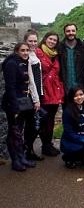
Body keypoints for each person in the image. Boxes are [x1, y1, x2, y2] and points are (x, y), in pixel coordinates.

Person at [2, 42, 37, 171]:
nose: (25, 52)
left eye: (27, 50)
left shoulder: (23, 62)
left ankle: (21, 157)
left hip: (22, 102)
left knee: (18, 132)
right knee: (14, 133)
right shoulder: (11, 64)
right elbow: (10, 87)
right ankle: (15, 161)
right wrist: (15, 107)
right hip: (13, 103)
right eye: (22, 50)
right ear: (17, 51)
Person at [36, 31, 65, 156]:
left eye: (55, 40)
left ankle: (48, 143)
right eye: (50, 39)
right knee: (44, 119)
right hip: (43, 91)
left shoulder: (55, 55)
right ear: (45, 39)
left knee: (50, 119)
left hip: (54, 91)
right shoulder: (38, 53)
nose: (52, 42)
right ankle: (45, 146)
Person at [60, 87, 84, 169]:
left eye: (81, 94)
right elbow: (69, 133)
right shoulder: (67, 112)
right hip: (70, 139)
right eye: (76, 96)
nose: (79, 97)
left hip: (82, 136)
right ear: (71, 98)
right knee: (79, 147)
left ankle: (82, 157)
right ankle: (68, 158)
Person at [23, 30, 43, 161]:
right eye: (30, 41)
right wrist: (36, 99)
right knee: (31, 125)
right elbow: (30, 80)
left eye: (35, 41)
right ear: (25, 41)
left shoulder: (34, 55)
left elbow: (38, 78)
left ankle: (28, 150)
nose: (33, 43)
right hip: (31, 96)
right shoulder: (26, 57)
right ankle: (27, 152)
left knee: (35, 124)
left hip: (37, 94)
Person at [58, 23, 84, 96]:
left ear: (76, 31)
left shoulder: (83, 47)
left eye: (73, 31)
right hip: (65, 85)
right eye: (68, 31)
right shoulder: (59, 47)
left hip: (80, 85)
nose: (71, 33)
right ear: (64, 32)